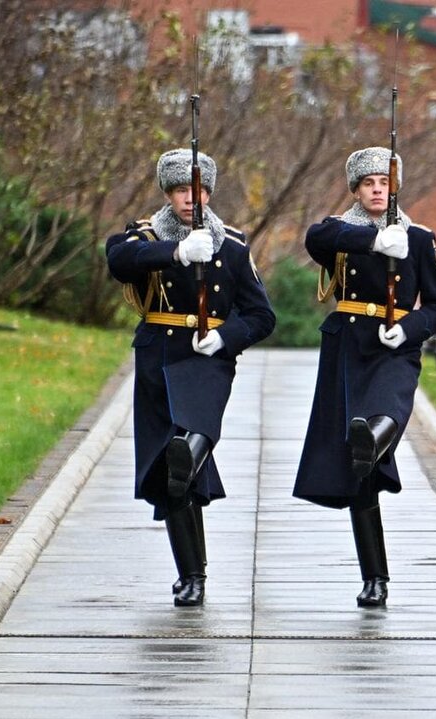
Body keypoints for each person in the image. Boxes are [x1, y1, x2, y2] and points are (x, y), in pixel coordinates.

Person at [107, 148, 276, 606]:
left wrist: (225, 338)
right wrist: (176, 251)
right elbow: (119, 260)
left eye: (198, 190)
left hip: (208, 361)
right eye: (181, 190)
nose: (190, 199)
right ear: (168, 193)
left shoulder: (234, 246)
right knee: (173, 469)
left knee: (186, 450)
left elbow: (262, 316)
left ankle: (194, 574)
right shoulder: (144, 235)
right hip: (159, 357)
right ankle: (193, 576)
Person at [294, 146, 436, 607]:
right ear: (356, 189)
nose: (377, 190)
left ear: (395, 186)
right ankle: (375, 579)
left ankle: (373, 437)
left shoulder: (420, 239)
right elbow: (317, 238)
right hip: (349, 348)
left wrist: (407, 326)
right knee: (359, 470)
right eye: (368, 183)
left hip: (394, 349)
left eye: (384, 182)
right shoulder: (340, 233)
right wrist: (372, 241)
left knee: (385, 414)